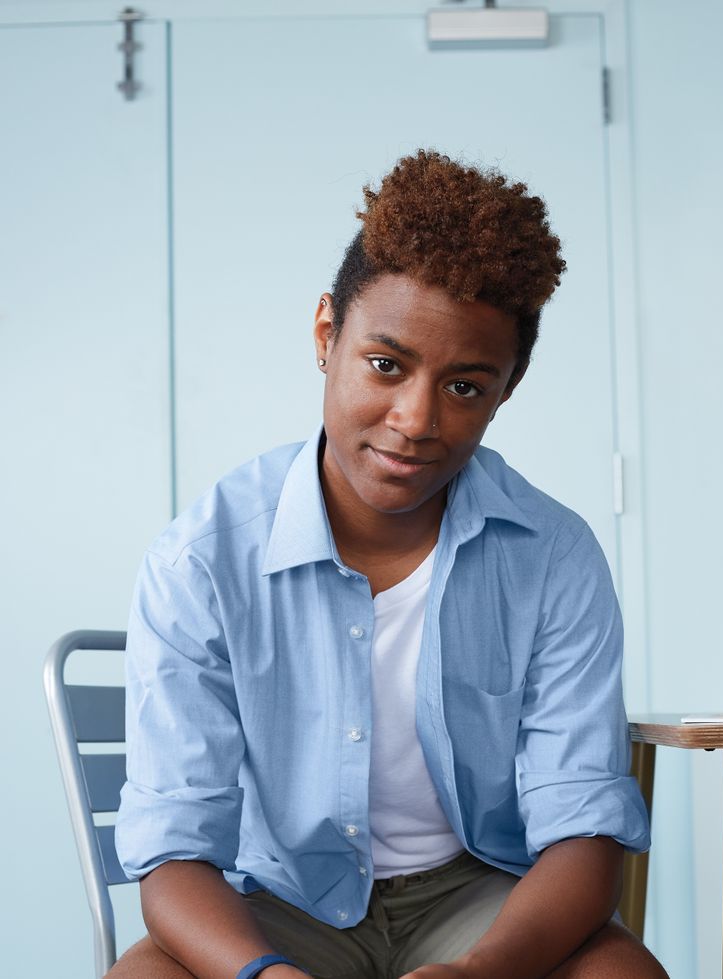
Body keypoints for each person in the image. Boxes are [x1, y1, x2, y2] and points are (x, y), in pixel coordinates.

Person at [110, 150, 668, 979]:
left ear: (505, 391)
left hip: (483, 902)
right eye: (386, 364)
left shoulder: (553, 556)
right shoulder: (201, 561)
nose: (415, 419)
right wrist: (265, 976)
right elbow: (173, 856)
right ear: (327, 334)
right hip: (284, 906)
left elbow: (583, 831)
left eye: (466, 387)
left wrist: (481, 971)